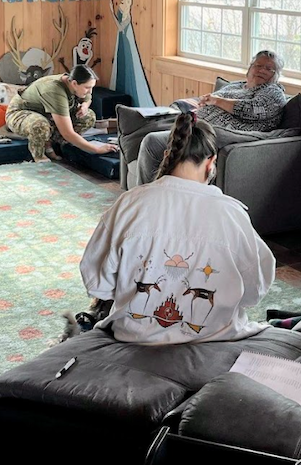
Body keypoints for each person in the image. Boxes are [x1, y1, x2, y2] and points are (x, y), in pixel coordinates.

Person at [80, 112, 275, 343]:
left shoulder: (129, 204)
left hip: (135, 337)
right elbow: (256, 289)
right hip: (216, 338)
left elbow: (97, 283)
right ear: (211, 162)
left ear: (167, 155)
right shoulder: (232, 214)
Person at [136, 50, 288, 184]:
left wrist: (216, 101)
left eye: (269, 69)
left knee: (152, 142)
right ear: (249, 68)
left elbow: (254, 110)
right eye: (258, 65)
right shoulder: (235, 86)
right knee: (145, 126)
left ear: (276, 76)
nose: (262, 70)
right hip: (195, 123)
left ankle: (146, 197)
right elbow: (207, 100)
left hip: (217, 133)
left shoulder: (273, 91)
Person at [5, 65, 117, 163]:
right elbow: (67, 132)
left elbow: (88, 98)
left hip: (48, 115)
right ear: (74, 83)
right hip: (21, 112)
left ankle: (57, 143)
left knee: (88, 117)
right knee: (40, 125)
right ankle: (39, 154)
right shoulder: (55, 90)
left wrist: (84, 106)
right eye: (87, 88)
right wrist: (96, 149)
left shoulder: (74, 81)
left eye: (92, 87)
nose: (90, 91)